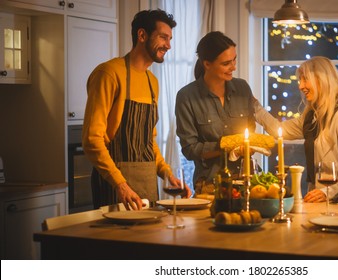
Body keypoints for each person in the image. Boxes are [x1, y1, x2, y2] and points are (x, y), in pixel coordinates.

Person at [83, 9, 191, 211]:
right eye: (163, 37)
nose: (168, 45)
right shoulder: (108, 73)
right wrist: (120, 184)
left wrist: (168, 175)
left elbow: (148, 141)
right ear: (142, 35)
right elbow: (92, 139)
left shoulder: (152, 82)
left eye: (170, 39)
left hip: (147, 185)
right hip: (114, 187)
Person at [254, 56, 338, 202]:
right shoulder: (311, 118)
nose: (301, 86)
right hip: (315, 199)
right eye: (300, 80)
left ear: (322, 80)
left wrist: (328, 192)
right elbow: (278, 129)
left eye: (305, 79)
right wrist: (253, 105)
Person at [175, 31, 256, 195]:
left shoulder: (243, 88)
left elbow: (250, 131)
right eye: (226, 63)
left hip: (246, 183)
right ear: (207, 64)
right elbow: (190, 149)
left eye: (235, 60)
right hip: (209, 186)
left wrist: (249, 146)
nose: (233, 67)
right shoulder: (187, 97)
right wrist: (226, 145)